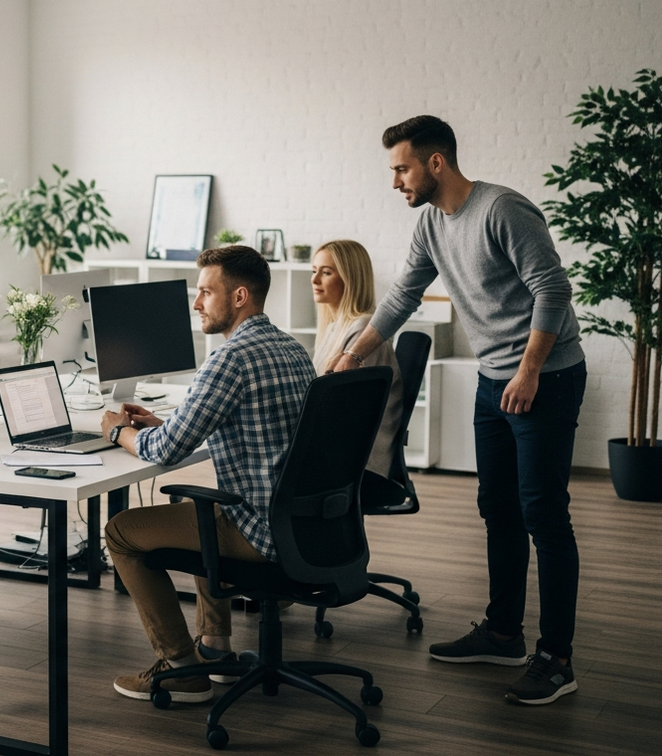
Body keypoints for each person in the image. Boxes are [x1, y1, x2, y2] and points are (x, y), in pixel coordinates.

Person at [334, 115, 586, 705]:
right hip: (494, 379)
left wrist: (527, 373)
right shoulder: (431, 224)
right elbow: (402, 295)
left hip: (543, 377)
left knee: (543, 514)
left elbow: (553, 291)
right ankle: (503, 633)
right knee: (497, 506)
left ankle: (558, 659)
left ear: (435, 163)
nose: (396, 180)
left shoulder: (503, 210)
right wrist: (352, 353)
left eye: (401, 168)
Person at [99, 246, 317, 703]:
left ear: (239, 297)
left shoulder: (231, 358)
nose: (196, 304)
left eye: (205, 292)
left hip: (259, 531)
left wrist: (118, 430)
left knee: (121, 532)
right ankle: (215, 650)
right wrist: (168, 423)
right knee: (203, 507)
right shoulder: (292, 349)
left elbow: (164, 450)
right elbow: (243, 423)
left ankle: (181, 669)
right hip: (306, 524)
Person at [310, 239, 404, 478]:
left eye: (326, 272)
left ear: (350, 279)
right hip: (339, 448)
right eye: (314, 271)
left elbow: (345, 410)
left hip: (357, 461)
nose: (314, 280)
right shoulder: (335, 327)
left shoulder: (363, 331)